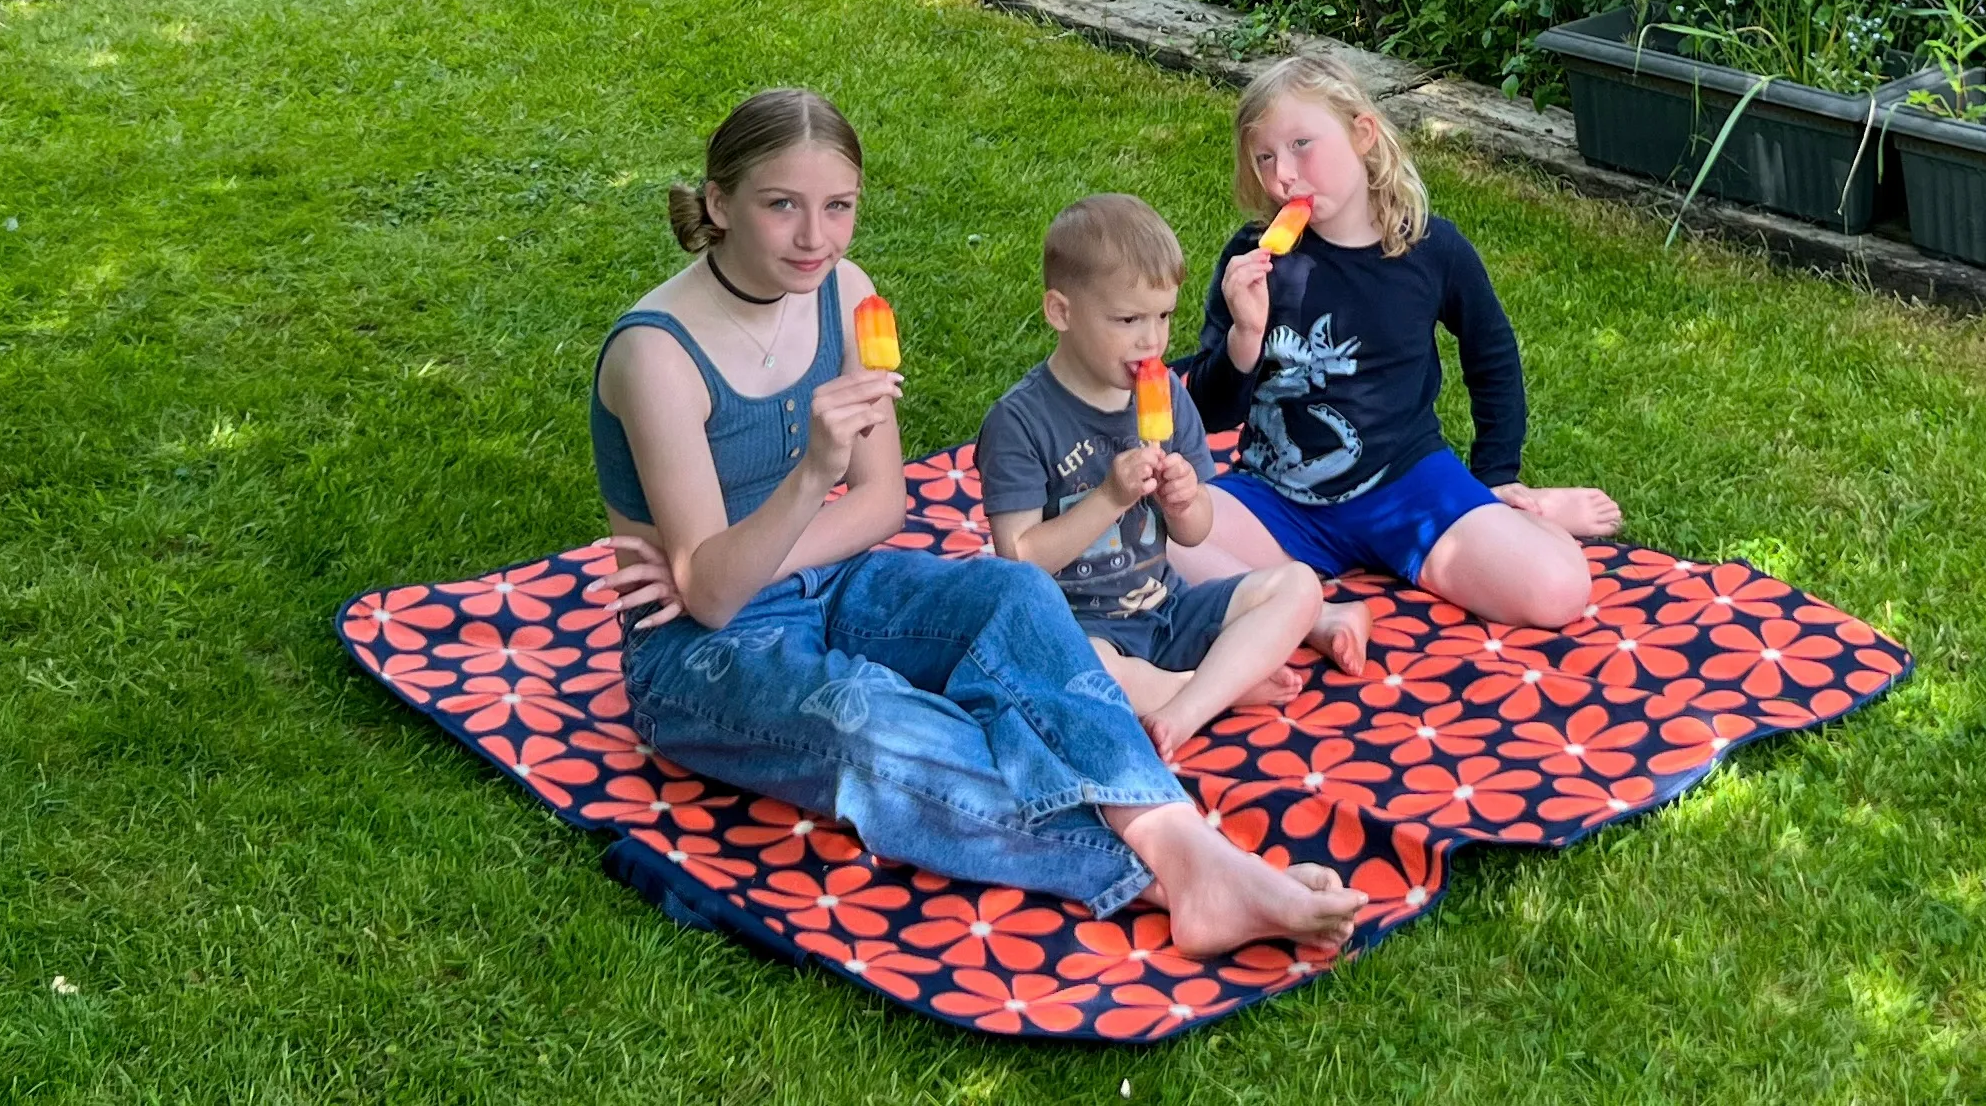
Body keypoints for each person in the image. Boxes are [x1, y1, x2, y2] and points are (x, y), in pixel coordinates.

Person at [585, 89, 1363, 953]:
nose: (815, 237)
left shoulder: (845, 294)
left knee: (1012, 594)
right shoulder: (654, 354)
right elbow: (717, 604)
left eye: (838, 207)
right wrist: (810, 477)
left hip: (832, 582)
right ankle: (1167, 878)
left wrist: (723, 566)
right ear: (720, 202)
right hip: (700, 657)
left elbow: (883, 506)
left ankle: (1186, 848)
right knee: (876, 723)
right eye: (781, 206)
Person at [1175, 56, 1624, 628]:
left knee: (1558, 591)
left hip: (1409, 487)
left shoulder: (1431, 250)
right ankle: (1312, 621)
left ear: (1362, 134)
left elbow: (1492, 356)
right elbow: (1210, 412)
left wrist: (1497, 474)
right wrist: (1245, 334)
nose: (1283, 174)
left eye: (1302, 145)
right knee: (1152, 543)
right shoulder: (1254, 260)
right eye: (1265, 158)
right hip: (1279, 495)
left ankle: (1530, 512)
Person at [977, 194, 1361, 758]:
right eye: (1128, 320)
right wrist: (1109, 497)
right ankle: (1207, 689)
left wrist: (1184, 502)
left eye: (1163, 317)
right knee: (1072, 672)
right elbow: (1019, 561)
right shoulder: (1020, 422)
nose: (1152, 341)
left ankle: (1185, 704)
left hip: (1166, 604)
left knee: (1298, 585)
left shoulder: (1168, 398)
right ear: (1060, 312)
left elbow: (1195, 534)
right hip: (1078, 628)